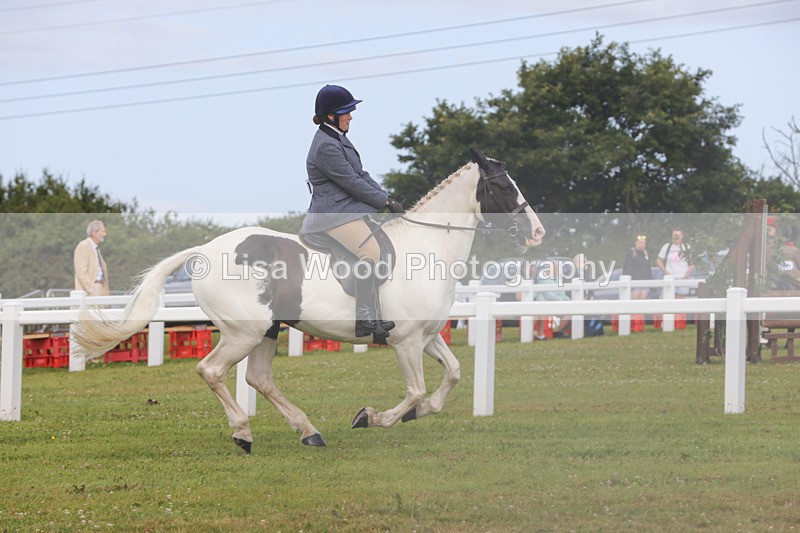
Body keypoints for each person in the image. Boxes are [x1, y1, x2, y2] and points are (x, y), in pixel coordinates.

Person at [299, 85, 403, 342]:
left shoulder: (337, 137)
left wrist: (387, 197)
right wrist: (383, 202)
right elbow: (351, 182)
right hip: (332, 214)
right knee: (371, 253)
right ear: (330, 115)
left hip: (346, 211)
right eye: (346, 112)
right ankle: (365, 318)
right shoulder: (326, 146)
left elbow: (362, 174)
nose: (351, 116)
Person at [73, 219, 109, 296]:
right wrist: (92, 289)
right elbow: (81, 273)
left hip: (100, 288)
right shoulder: (84, 246)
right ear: (94, 233)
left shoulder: (96, 249)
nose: (104, 234)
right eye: (102, 231)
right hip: (90, 291)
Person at [657, 228, 694, 298]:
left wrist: (688, 271)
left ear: (682, 236)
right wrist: (664, 270)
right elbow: (659, 260)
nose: (676, 237)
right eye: (675, 235)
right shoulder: (666, 247)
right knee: (669, 298)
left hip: (683, 277)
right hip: (670, 277)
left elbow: (692, 263)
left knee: (680, 300)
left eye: (678, 235)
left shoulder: (687, 247)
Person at [622, 234, 652, 300]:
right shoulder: (632, 252)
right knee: (634, 302)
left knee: (643, 301)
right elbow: (627, 266)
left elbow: (648, 268)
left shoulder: (646, 253)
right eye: (640, 243)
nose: (642, 245)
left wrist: (651, 280)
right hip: (634, 282)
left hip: (645, 281)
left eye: (643, 243)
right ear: (636, 243)